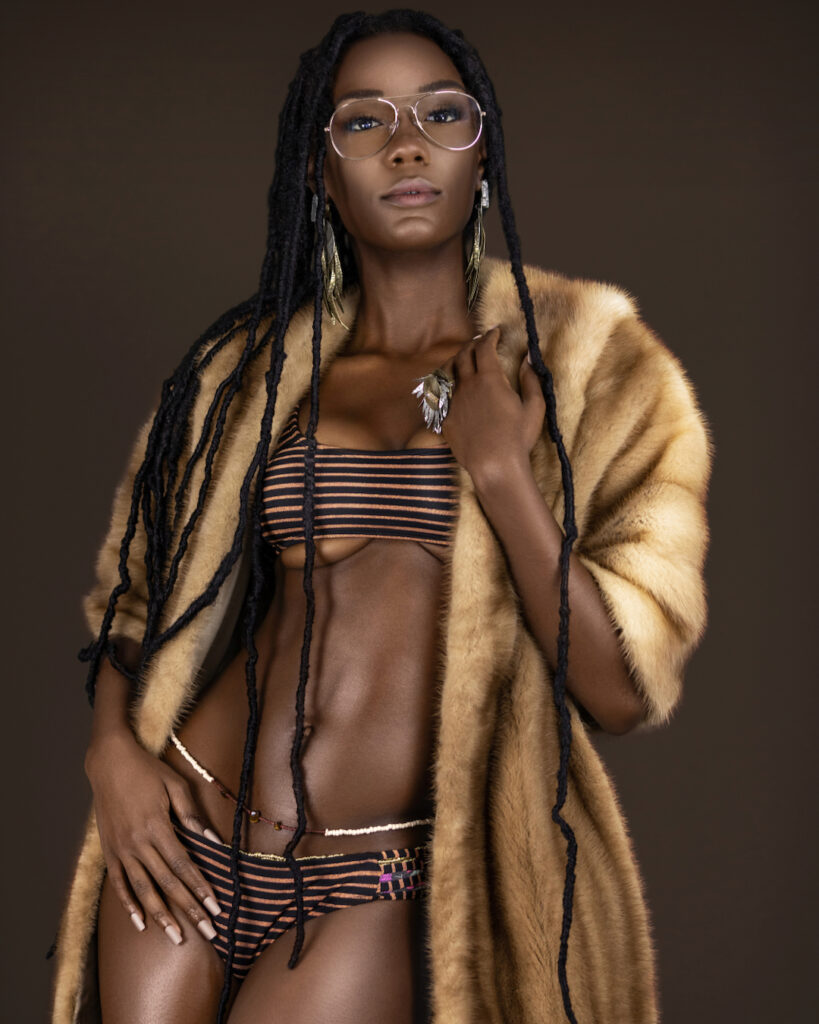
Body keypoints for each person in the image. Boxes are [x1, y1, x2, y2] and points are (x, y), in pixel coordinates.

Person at [50, 9, 713, 1024]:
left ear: (482, 147)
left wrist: (499, 471)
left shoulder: (599, 371)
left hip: (382, 881)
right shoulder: (248, 375)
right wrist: (113, 756)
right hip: (185, 828)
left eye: (442, 113)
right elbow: (131, 598)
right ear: (320, 171)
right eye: (364, 121)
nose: (407, 143)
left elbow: (621, 686)